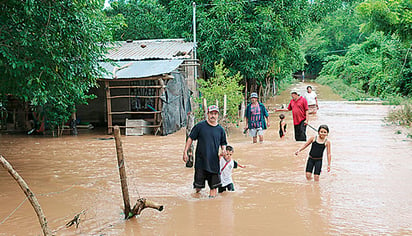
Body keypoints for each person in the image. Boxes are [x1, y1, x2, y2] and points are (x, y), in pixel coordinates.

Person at [183, 105, 227, 198]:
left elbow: (223, 143)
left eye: (215, 114)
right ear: (207, 114)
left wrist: (223, 150)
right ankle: (197, 200)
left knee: (213, 188)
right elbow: (190, 138)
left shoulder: (221, 130)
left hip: (214, 162)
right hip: (201, 162)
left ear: (218, 115)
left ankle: (211, 206)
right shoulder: (200, 126)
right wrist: (185, 151)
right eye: (211, 113)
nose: (213, 116)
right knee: (198, 187)